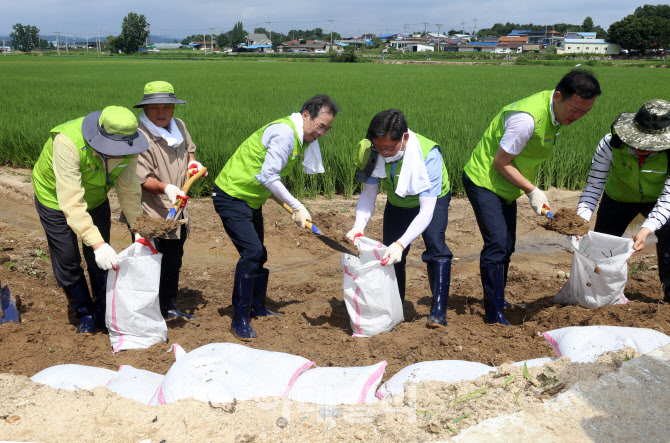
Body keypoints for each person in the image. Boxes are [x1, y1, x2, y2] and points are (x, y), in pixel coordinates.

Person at [462, 68, 601, 325]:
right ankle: (494, 314)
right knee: (496, 246)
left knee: (508, 245)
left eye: (585, 112)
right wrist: (533, 191)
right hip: (485, 181)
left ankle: (498, 299)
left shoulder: (556, 114)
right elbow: (501, 163)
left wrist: (530, 192)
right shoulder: (527, 120)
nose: (578, 117)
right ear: (558, 96)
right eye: (575, 109)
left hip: (507, 186)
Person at [212, 94, 340, 340]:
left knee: (260, 253)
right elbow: (269, 175)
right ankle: (239, 319)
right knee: (252, 253)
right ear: (305, 115)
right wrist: (296, 204)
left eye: (327, 129)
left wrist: (293, 210)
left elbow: (269, 183)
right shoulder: (285, 134)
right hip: (231, 195)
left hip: (250, 199)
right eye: (320, 126)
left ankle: (257, 307)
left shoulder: (299, 139)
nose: (322, 133)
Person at [32, 106, 149, 334]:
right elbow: (71, 201)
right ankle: (83, 311)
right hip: (55, 197)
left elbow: (128, 190)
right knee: (67, 257)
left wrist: (139, 228)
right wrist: (96, 243)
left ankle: (103, 309)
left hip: (95, 198)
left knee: (100, 259)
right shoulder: (67, 142)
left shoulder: (131, 146)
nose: (117, 153)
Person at [346, 109, 452, 327]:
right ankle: (397, 304)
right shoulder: (372, 151)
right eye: (379, 147)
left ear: (404, 138)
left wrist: (402, 243)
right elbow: (368, 194)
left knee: (435, 245)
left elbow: (426, 212)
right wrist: (358, 226)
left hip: (432, 200)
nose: (383, 153)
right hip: (398, 200)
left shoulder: (428, 154)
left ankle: (439, 310)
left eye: (388, 147)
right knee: (390, 254)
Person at [123, 80, 204, 320]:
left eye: (166, 107)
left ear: (174, 108)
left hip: (178, 208)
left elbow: (189, 148)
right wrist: (167, 187)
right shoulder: (138, 136)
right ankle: (147, 309)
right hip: (150, 210)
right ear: (145, 109)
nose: (161, 113)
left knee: (173, 260)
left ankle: (167, 305)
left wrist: (192, 163)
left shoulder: (179, 125)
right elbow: (141, 179)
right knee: (149, 261)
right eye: (155, 108)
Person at [577, 99, 670, 302]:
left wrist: (646, 230)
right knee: (601, 248)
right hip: (618, 198)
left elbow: (668, 199)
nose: (640, 148)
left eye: (648, 146)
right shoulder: (611, 143)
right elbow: (594, 185)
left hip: (658, 200)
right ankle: (598, 296)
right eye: (637, 142)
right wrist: (579, 219)